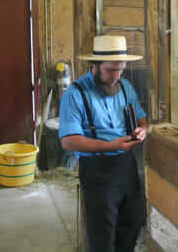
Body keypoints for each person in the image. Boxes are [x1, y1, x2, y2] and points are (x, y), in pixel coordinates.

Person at [59, 35, 147, 252]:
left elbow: (142, 117)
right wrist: (112, 146)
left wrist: (142, 130)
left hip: (126, 165)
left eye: (121, 70)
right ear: (95, 66)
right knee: (103, 234)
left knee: (134, 221)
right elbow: (69, 141)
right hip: (97, 170)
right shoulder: (75, 94)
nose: (115, 76)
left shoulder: (126, 87)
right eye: (110, 70)